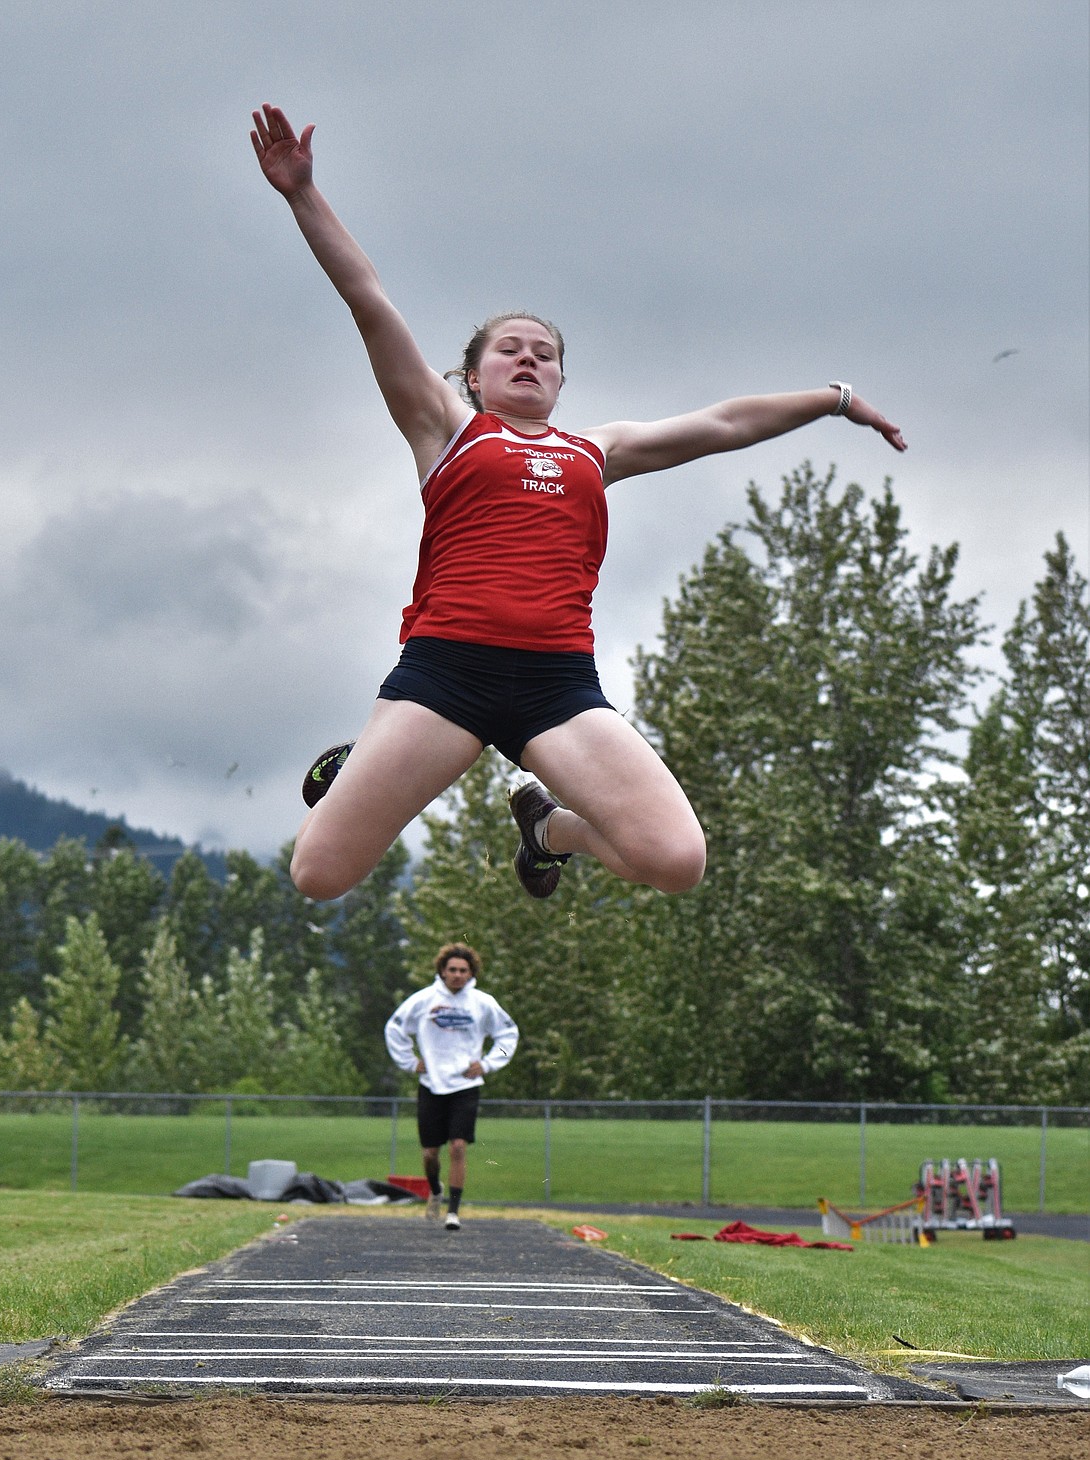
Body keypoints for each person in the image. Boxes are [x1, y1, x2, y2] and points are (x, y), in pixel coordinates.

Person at [251, 105, 907, 904]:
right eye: (509, 349)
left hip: (557, 685)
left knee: (674, 862)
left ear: (561, 381)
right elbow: (369, 299)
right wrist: (302, 194)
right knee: (318, 876)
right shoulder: (444, 427)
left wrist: (835, 400)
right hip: (445, 675)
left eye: (546, 354)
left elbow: (724, 423)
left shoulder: (593, 451)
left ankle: (546, 829)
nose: (529, 358)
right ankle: (374, 756)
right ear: (472, 379)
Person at [384, 942, 518, 1229]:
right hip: (431, 1084)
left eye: (463, 971)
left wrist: (488, 1063)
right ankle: (435, 1189)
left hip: (465, 1085)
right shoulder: (423, 1000)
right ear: (442, 971)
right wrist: (409, 1062)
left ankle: (454, 1211)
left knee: (458, 1146)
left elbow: (508, 1034)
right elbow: (394, 1028)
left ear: (471, 974)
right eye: (452, 970)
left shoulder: (483, 1003)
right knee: (430, 1153)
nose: (457, 975)